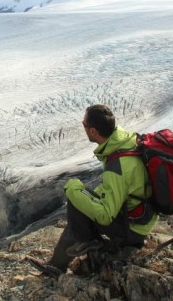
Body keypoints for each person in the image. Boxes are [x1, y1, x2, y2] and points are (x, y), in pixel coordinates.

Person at [28, 104, 158, 276]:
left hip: (132, 230)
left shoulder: (118, 165)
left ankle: (85, 244)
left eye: (84, 124)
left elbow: (105, 215)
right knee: (83, 199)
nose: (83, 126)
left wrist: (73, 189)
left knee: (76, 196)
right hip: (141, 217)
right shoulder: (126, 141)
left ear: (94, 131)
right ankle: (57, 264)